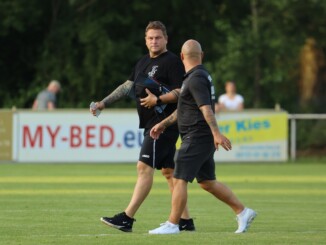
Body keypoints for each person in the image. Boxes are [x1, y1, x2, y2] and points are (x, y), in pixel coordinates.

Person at [90, 21, 195, 232]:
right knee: (169, 173)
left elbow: (180, 92)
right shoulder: (142, 62)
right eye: (150, 38)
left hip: (163, 125)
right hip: (151, 124)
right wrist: (103, 102)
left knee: (143, 168)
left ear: (166, 39)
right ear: (145, 40)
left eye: (158, 37)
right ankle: (185, 221)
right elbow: (127, 87)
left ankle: (127, 218)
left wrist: (158, 100)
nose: (154, 41)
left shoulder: (172, 62)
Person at [148, 39, 256, 234]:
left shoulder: (196, 78)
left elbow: (206, 109)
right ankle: (243, 212)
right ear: (202, 55)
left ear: (181, 57)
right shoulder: (197, 76)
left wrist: (217, 134)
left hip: (197, 135)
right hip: (201, 136)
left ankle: (173, 224)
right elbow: (183, 109)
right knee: (207, 182)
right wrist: (163, 124)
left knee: (178, 176)